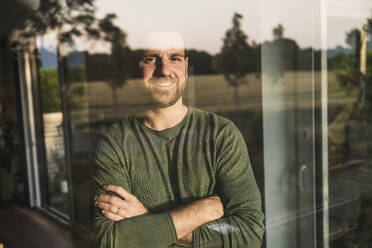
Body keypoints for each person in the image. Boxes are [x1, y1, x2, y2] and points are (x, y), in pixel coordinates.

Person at [92, 32, 265, 247]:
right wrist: (202, 211)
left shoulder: (221, 134)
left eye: (174, 58)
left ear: (185, 66)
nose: (164, 70)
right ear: (137, 67)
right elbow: (111, 240)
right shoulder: (115, 142)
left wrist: (144, 218)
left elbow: (249, 234)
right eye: (151, 59)